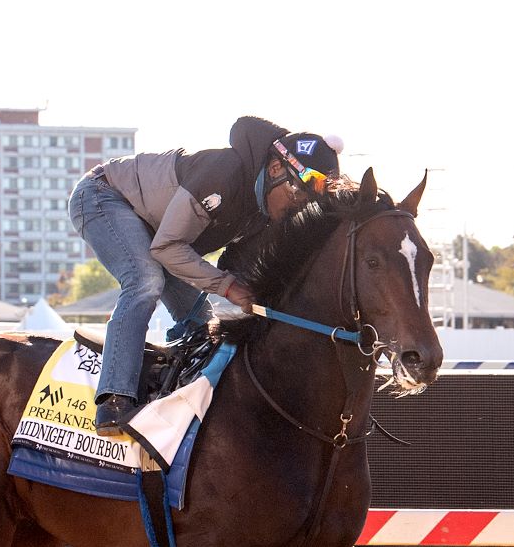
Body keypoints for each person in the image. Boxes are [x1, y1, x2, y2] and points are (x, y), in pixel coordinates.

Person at [68, 117, 344, 435]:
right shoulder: (223, 175)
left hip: (156, 232)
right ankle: (114, 400)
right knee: (145, 280)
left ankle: (175, 397)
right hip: (103, 196)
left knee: (203, 321)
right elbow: (169, 249)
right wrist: (228, 287)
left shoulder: (262, 214)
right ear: (276, 169)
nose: (300, 205)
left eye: (311, 201)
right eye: (299, 192)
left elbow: (232, 272)